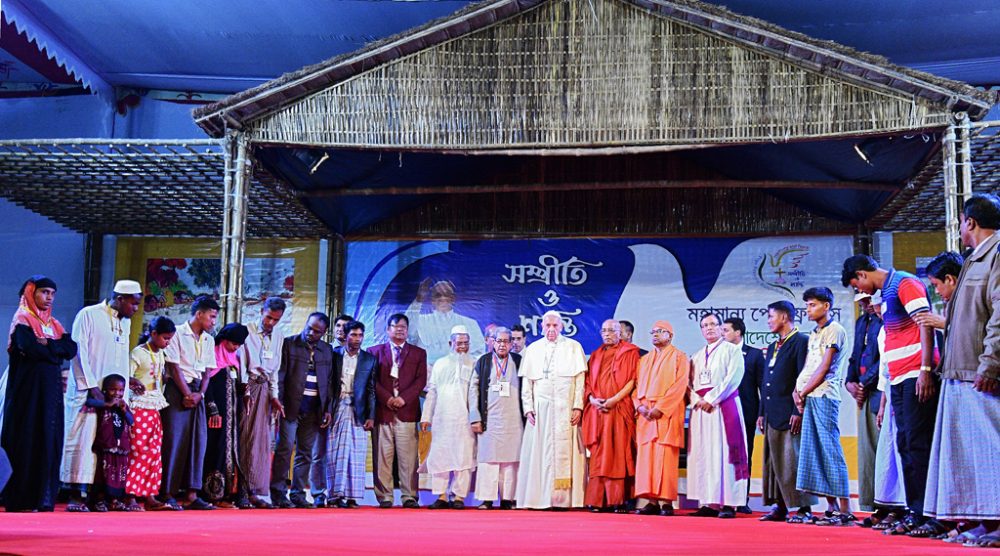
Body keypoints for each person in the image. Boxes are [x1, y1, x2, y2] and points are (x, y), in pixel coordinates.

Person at [923, 194, 1000, 546]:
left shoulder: (996, 254)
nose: (960, 229)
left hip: (981, 372)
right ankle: (986, 519)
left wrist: (991, 362)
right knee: (972, 455)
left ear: (970, 222)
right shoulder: (974, 259)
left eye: (960, 222)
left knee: (992, 450)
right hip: (961, 372)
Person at [842, 254, 938, 534]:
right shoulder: (886, 291)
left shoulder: (904, 282)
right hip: (897, 377)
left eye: (857, 285)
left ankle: (926, 512)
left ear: (862, 274)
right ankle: (914, 510)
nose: (862, 291)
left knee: (918, 444)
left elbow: (925, 322)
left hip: (914, 374)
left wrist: (925, 368)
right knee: (905, 443)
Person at [61, 279, 142, 512]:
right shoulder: (88, 314)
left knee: (108, 445)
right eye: (133, 304)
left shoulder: (124, 323)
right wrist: (90, 386)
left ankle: (100, 495)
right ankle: (75, 494)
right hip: (89, 392)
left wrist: (122, 394)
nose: (135, 310)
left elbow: (121, 358)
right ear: (120, 299)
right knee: (83, 442)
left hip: (113, 396)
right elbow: (79, 353)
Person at [0, 276, 76, 512]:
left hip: (50, 395)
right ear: (31, 293)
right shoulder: (22, 319)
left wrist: (48, 345)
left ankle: (43, 498)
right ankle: (21, 498)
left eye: (52, 294)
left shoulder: (53, 324)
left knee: (48, 439)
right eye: (44, 292)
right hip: (27, 395)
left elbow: (71, 349)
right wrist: (53, 350)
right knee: (27, 438)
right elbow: (29, 348)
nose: (49, 298)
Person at [793, 287, 854, 526]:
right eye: (807, 305)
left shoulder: (835, 330)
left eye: (813, 304)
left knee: (830, 452)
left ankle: (846, 510)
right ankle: (831, 507)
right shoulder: (815, 333)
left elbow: (825, 367)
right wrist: (797, 389)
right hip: (810, 396)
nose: (808, 309)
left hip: (825, 396)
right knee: (815, 453)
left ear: (826, 306)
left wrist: (804, 390)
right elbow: (810, 366)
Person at [515, 310, 587, 510]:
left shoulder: (573, 347)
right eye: (548, 326)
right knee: (540, 452)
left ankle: (565, 500)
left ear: (562, 327)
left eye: (555, 326)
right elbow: (527, 384)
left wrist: (577, 406)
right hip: (541, 411)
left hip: (566, 410)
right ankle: (540, 498)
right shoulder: (533, 349)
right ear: (542, 327)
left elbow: (580, 381)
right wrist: (528, 408)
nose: (551, 329)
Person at [270, 312, 338, 509]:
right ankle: (278, 493)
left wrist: (328, 409)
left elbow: (330, 383)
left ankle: (298, 494)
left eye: (317, 331)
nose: (311, 333)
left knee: (305, 453)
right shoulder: (289, 344)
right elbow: (280, 376)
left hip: (314, 410)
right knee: (284, 449)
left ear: (324, 333)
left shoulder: (326, 350)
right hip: (290, 408)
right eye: (309, 328)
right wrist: (279, 400)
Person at [757, 301, 816, 524]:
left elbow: (803, 378)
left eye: (771, 316)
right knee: (773, 462)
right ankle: (780, 506)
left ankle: (803, 508)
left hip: (790, 411)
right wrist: (762, 412)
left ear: (784, 317)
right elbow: (765, 382)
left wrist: (797, 410)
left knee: (792, 460)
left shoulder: (801, 341)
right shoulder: (774, 346)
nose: (769, 321)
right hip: (772, 412)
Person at [161, 295, 219, 511]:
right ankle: (168, 492)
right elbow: (174, 367)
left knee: (198, 442)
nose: (214, 322)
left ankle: (192, 494)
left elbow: (207, 372)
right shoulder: (177, 333)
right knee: (174, 441)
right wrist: (186, 394)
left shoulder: (209, 340)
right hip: (179, 392)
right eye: (211, 317)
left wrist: (200, 395)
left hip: (197, 394)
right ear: (199, 314)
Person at [687, 313, 747, 519]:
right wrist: (696, 400)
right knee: (704, 453)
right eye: (704, 325)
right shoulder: (695, 356)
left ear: (721, 327)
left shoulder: (732, 351)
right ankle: (708, 502)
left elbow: (733, 378)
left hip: (723, 406)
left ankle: (730, 503)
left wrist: (711, 398)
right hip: (701, 411)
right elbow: (688, 384)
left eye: (713, 324)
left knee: (726, 454)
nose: (709, 328)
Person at [370, 313, 427, 508]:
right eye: (396, 326)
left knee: (409, 458)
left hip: (407, 410)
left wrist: (403, 398)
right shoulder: (374, 352)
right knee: (382, 456)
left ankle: (409, 496)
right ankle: (384, 496)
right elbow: (372, 381)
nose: (400, 329)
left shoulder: (418, 353)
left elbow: (421, 381)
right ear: (388, 330)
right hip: (383, 411)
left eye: (403, 326)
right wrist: (388, 398)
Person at [632, 320, 688, 516]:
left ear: (670, 336)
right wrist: (639, 406)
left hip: (666, 415)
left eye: (660, 332)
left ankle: (666, 502)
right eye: (653, 332)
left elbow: (680, 387)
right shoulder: (644, 360)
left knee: (665, 460)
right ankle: (652, 501)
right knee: (647, 460)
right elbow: (636, 388)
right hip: (646, 416)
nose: (655, 335)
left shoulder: (680, 357)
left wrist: (660, 408)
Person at [583, 319, 639, 512]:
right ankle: (597, 501)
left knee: (618, 454)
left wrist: (614, 399)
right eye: (604, 330)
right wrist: (591, 399)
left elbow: (632, 380)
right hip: (598, 411)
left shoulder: (630, 352)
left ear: (620, 332)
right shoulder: (596, 355)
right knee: (599, 456)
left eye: (612, 331)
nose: (607, 334)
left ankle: (617, 500)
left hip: (618, 410)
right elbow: (588, 382)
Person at [237, 297, 286, 509]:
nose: (271, 323)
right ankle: (240, 491)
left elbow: (275, 370)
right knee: (246, 439)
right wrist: (245, 390)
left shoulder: (279, 337)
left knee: (262, 443)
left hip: (266, 392)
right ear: (260, 311)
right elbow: (241, 365)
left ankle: (255, 491)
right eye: (268, 318)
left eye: (276, 320)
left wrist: (275, 396)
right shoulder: (246, 332)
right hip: (249, 389)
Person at [420, 326, 477, 509]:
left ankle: (459, 497)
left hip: (465, 419)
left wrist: (476, 418)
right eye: (459, 343)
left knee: (464, 458)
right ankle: (442, 496)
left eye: (466, 343)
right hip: (442, 419)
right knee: (440, 456)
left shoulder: (474, 363)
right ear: (450, 343)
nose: (462, 347)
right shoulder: (440, 364)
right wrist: (426, 416)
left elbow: (477, 394)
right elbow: (432, 392)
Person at [124, 316, 175, 512]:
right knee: (139, 450)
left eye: (170, 339)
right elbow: (125, 375)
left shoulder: (161, 354)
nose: (167, 342)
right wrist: (132, 381)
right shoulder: (138, 353)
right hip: (139, 406)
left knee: (154, 451)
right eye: (165, 338)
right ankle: (131, 496)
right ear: (153, 334)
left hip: (155, 406)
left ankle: (150, 495)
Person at [470, 326, 523, 510]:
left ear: (511, 344)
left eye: (506, 341)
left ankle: (508, 499)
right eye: (498, 341)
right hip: (489, 420)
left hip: (514, 420)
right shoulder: (483, 361)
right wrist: (475, 418)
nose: (502, 345)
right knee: (488, 460)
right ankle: (486, 499)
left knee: (511, 461)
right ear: (492, 341)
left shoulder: (519, 360)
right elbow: (473, 391)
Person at [325, 320, 376, 509]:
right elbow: (328, 384)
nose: (357, 339)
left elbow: (371, 389)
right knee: (334, 452)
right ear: (345, 336)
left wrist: (371, 415)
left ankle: (352, 497)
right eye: (353, 335)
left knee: (356, 452)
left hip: (358, 410)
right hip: (337, 408)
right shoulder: (334, 355)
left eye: (360, 335)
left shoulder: (369, 359)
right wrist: (327, 410)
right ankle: (335, 496)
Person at [870, 298, 908, 531]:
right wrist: (883, 404)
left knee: (904, 451)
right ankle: (886, 505)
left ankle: (903, 507)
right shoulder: (884, 330)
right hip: (892, 393)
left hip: (907, 390)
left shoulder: (909, 325)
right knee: (887, 453)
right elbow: (886, 370)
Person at [202, 322, 249, 507]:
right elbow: (207, 384)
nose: (235, 348)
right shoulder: (212, 354)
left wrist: (244, 391)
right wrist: (212, 409)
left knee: (229, 450)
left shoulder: (233, 359)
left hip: (232, 416)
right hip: (215, 414)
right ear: (224, 340)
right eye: (232, 344)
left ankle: (228, 493)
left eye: (238, 345)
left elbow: (233, 385)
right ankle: (212, 494)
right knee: (215, 449)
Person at [844, 291, 883, 513]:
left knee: (880, 447)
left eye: (870, 301)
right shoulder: (862, 322)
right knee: (866, 452)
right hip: (863, 393)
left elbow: (884, 360)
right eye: (863, 302)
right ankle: (870, 504)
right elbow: (855, 355)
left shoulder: (886, 321)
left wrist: (864, 383)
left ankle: (887, 505)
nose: (867, 305)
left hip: (878, 392)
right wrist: (850, 382)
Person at [722, 316, 764, 513]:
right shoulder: (719, 354)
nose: (722, 334)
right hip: (722, 414)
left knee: (744, 456)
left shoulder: (754, 355)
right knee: (724, 456)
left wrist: (761, 414)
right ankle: (722, 498)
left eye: (726, 330)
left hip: (746, 413)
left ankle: (741, 499)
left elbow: (763, 388)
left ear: (738, 332)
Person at [406, 279, 485, 363]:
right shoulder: (421, 321)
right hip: (427, 371)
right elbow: (407, 331)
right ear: (432, 300)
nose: (442, 298)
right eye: (438, 295)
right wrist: (419, 299)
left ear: (453, 298)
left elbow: (479, 353)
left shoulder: (469, 323)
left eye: (447, 294)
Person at [86, 374, 134, 512]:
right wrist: (107, 404)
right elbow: (89, 402)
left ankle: (115, 500)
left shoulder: (123, 405)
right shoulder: (103, 404)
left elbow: (131, 421)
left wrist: (124, 411)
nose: (117, 393)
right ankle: (99, 500)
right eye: (113, 390)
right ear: (105, 390)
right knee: (103, 475)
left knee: (119, 475)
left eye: (120, 390)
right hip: (106, 446)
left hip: (121, 447)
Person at [913, 251, 963, 332]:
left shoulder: (971, 302)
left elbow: (975, 332)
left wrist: (945, 324)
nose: (936, 291)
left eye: (936, 285)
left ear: (949, 279)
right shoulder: (953, 302)